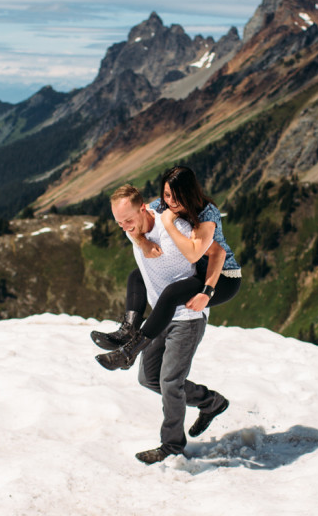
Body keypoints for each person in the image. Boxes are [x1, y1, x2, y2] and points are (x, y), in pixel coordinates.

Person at [96, 184, 229, 464]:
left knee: (170, 382)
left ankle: (172, 446)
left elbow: (210, 251)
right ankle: (210, 402)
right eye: (119, 223)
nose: (124, 228)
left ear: (144, 209)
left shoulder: (174, 228)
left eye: (128, 220)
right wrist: (141, 240)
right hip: (160, 317)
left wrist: (207, 290)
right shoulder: (134, 229)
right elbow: (139, 245)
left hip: (187, 317)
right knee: (149, 378)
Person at [91, 165, 241, 351]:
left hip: (222, 276)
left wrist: (207, 292)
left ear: (189, 192)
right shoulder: (162, 204)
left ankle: (132, 350)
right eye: (167, 194)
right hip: (195, 269)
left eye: (177, 196)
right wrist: (142, 241)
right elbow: (136, 221)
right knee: (136, 277)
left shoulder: (206, 214)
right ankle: (128, 330)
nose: (171, 201)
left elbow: (206, 254)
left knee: (171, 295)